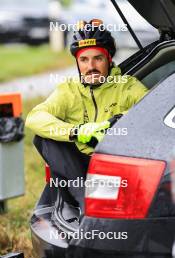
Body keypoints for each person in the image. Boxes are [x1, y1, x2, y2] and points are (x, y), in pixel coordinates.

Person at [26, 19, 148, 211]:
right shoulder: (69, 90)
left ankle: (92, 207)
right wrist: (77, 131)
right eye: (84, 60)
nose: (91, 66)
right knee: (43, 139)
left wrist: (114, 122)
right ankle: (87, 205)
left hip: (115, 169)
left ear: (108, 59)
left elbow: (151, 111)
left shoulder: (128, 86)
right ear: (77, 63)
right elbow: (35, 117)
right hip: (77, 171)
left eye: (98, 58)